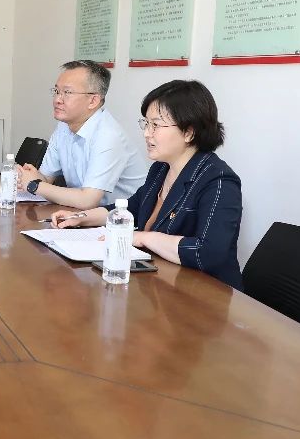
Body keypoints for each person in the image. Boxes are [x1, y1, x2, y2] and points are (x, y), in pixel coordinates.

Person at [51, 79, 243, 289]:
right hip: (161, 284)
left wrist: (143, 238)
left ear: (189, 132)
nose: (146, 133)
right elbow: (130, 209)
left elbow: (208, 253)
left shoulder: (218, 181)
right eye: (146, 123)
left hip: (205, 294)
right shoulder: (161, 169)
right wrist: (80, 218)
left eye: (156, 125)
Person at [17, 60, 149, 209]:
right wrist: (26, 176)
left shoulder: (108, 136)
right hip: (84, 214)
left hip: (122, 218)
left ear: (93, 101)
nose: (57, 100)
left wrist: (35, 185)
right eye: (57, 91)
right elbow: (46, 179)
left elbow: (88, 200)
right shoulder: (63, 127)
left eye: (67, 92)